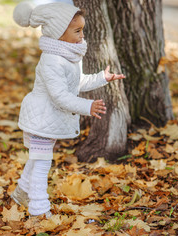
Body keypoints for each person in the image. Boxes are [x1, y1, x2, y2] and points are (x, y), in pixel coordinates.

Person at [11, 1, 125, 218]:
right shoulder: (52, 60)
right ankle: (39, 211)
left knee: (37, 158)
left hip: (49, 119)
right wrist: (87, 106)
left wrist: (102, 78)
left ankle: (19, 194)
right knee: (43, 164)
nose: (82, 35)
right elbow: (60, 96)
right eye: (77, 31)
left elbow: (77, 83)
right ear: (59, 33)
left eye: (83, 29)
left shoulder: (69, 55)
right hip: (41, 118)